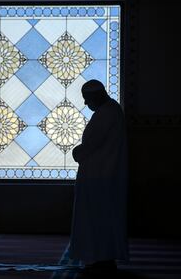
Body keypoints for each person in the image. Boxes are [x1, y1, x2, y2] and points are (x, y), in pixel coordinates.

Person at [69, 79, 129, 272]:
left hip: (99, 177)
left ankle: (99, 258)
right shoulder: (112, 110)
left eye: (87, 99)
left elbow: (91, 145)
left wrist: (77, 152)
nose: (86, 104)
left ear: (96, 96)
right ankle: (102, 257)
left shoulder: (106, 113)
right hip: (103, 175)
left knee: (96, 218)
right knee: (102, 218)